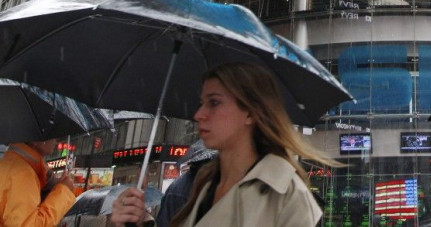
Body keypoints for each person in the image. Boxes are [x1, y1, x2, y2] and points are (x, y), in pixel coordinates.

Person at [110, 61, 338, 226]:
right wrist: (138, 222)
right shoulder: (205, 184)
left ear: (250, 112)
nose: (199, 114)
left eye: (214, 103)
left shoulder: (287, 197)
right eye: (202, 103)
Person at [0, 139, 76, 226]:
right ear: (35, 141)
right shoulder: (23, 173)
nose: (56, 141)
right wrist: (64, 192)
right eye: (51, 136)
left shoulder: (11, 163)